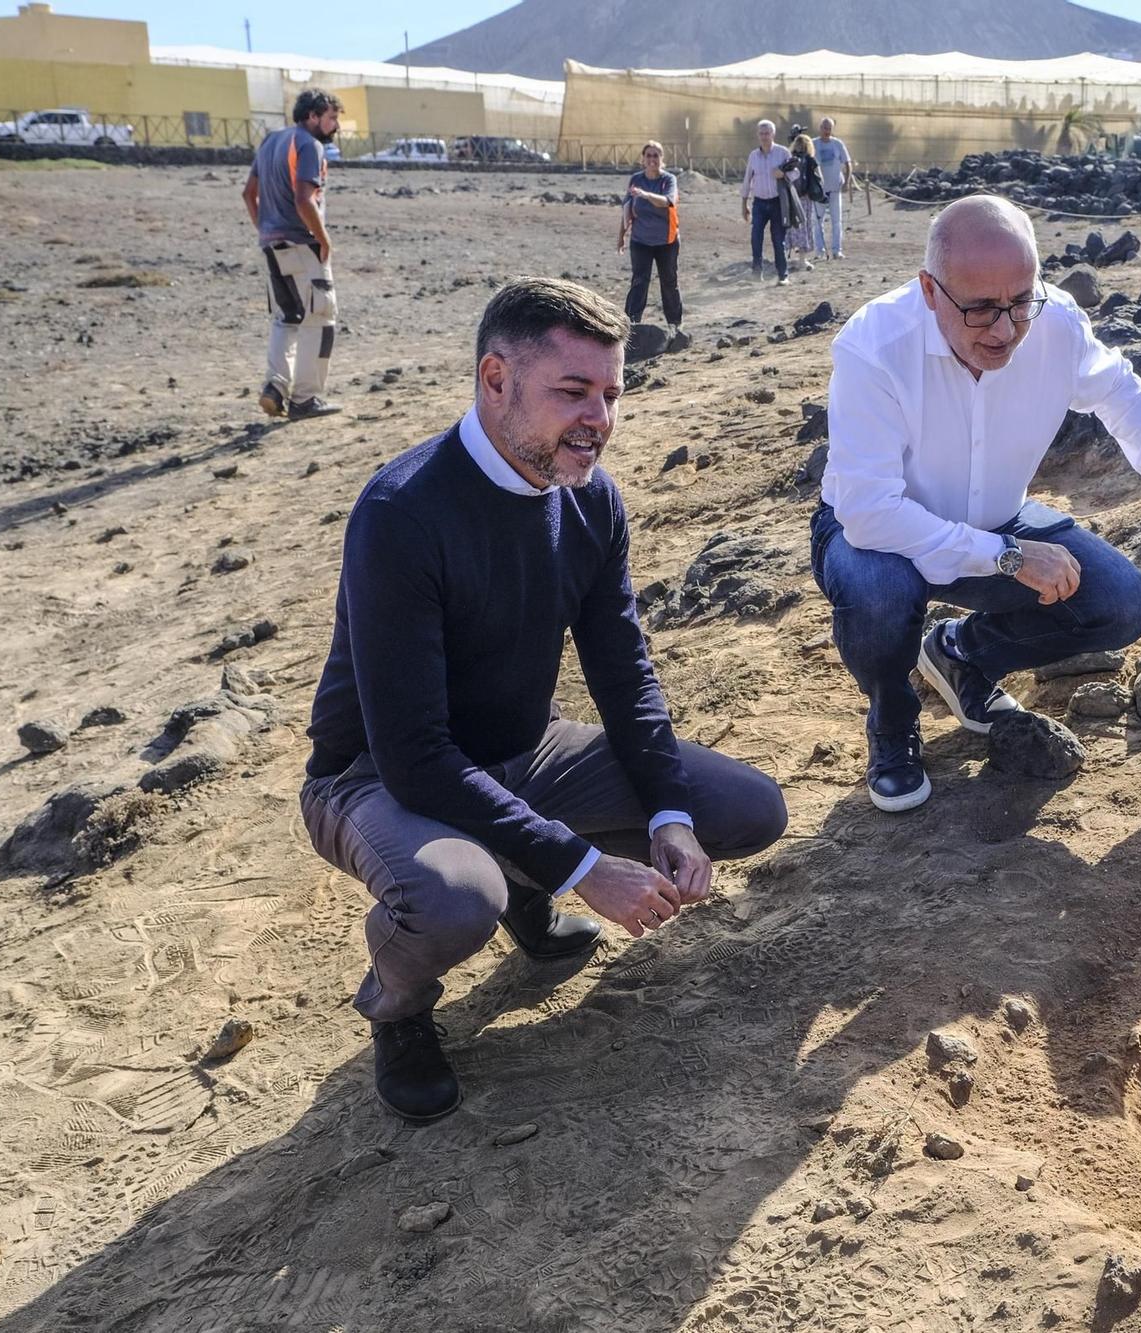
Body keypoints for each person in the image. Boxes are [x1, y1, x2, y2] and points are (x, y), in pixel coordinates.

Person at [300, 277, 789, 1121]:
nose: (598, 416)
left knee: (745, 808)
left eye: (610, 393)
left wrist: (669, 812)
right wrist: (584, 866)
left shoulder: (592, 500)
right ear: (496, 380)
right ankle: (400, 1006)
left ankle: (522, 874)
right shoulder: (402, 512)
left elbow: (624, 672)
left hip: (525, 752)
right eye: (572, 391)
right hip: (372, 776)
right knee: (458, 900)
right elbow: (416, 756)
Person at [811, 196, 1141, 812]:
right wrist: (1006, 557)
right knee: (881, 594)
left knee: (1123, 605)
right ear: (929, 290)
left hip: (998, 520)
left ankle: (959, 655)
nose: (1004, 330)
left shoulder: (1054, 323)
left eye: (1019, 302)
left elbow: (1119, 392)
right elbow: (869, 510)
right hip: (876, 537)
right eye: (979, 309)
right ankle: (893, 727)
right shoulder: (873, 347)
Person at [242, 88, 344, 420]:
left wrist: (265, 229)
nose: (335, 125)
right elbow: (304, 199)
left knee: (285, 318)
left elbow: (248, 193)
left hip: (272, 244)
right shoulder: (308, 145)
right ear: (312, 116)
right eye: (331, 118)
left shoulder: (271, 141)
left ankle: (275, 387)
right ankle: (305, 398)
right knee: (320, 318)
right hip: (302, 244)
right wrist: (323, 237)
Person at [618, 140, 681, 333]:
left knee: (669, 281)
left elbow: (668, 202)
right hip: (640, 240)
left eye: (656, 155)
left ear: (662, 159)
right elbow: (627, 209)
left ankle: (674, 325)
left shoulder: (668, 180)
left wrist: (645, 195)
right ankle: (631, 325)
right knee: (639, 281)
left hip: (666, 240)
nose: (652, 159)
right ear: (643, 159)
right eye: (649, 156)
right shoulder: (636, 179)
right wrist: (621, 236)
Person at [742, 120, 795, 285]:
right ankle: (757, 272)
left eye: (767, 133)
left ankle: (783, 275)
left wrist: (783, 174)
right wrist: (744, 203)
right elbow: (747, 180)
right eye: (761, 133)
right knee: (755, 236)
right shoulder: (753, 156)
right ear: (758, 135)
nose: (764, 136)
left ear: (773, 134)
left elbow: (796, 172)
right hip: (759, 203)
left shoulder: (783, 153)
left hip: (778, 202)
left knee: (778, 239)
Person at [811, 117, 852, 260]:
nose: (826, 131)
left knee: (836, 220)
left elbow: (847, 163)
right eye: (824, 128)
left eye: (829, 128)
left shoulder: (838, 144)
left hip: (835, 188)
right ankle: (820, 250)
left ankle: (837, 250)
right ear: (820, 128)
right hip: (818, 190)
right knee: (817, 221)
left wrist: (847, 182)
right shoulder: (813, 144)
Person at [786, 132, 823, 267]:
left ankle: (786, 257)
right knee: (805, 226)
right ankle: (802, 259)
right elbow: (820, 178)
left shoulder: (790, 158)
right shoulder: (811, 160)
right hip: (806, 198)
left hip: (791, 196)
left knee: (789, 226)